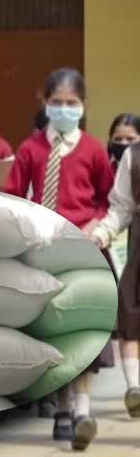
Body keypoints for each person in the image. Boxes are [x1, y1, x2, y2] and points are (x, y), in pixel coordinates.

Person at [4, 68, 114, 451]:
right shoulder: (31, 149)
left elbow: (105, 198)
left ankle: (82, 411)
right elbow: (12, 196)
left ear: (83, 106)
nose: (64, 109)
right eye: (57, 103)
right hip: (43, 251)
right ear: (44, 103)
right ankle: (63, 409)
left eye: (72, 103)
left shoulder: (94, 150)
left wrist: (96, 226)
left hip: (83, 248)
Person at [91, 113, 140, 420]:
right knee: (131, 313)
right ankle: (135, 388)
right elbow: (122, 206)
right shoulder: (134, 156)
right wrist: (101, 233)